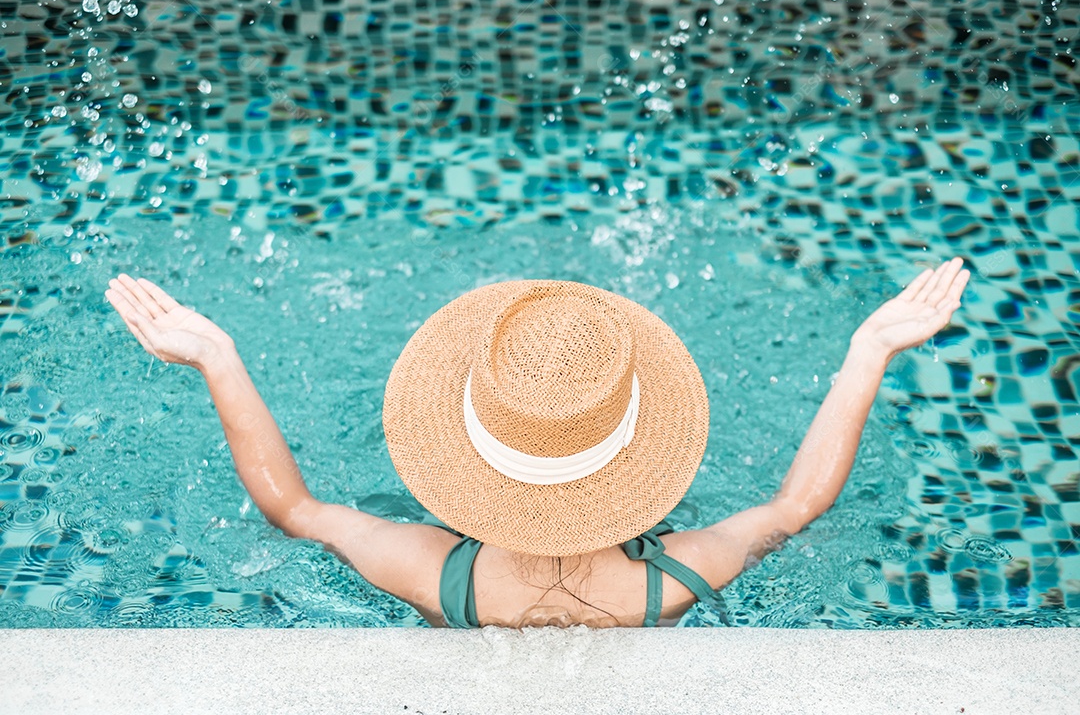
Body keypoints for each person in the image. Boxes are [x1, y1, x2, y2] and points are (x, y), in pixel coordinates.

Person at [104, 257, 970, 628]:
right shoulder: (664, 584)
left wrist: (217, 358)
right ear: (634, 459)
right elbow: (797, 505)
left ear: (470, 456)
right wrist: (869, 350)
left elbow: (292, 509)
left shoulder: (435, 574)